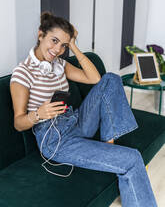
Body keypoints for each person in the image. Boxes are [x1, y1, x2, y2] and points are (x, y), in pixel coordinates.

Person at [10, 11, 157, 207]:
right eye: (54, 40)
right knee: (132, 159)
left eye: (62, 45)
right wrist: (38, 114)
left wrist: (73, 46)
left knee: (111, 79)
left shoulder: (60, 64)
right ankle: (111, 152)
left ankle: (108, 144)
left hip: (76, 121)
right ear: (40, 35)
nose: (57, 49)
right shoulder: (22, 73)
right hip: (55, 139)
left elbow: (95, 79)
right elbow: (18, 123)